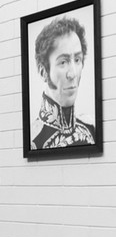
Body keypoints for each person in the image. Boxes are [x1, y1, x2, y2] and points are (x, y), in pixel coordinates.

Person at [32, 16, 95, 150]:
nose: (72, 74)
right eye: (63, 62)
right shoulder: (34, 141)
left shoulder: (91, 129)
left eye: (77, 60)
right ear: (43, 72)